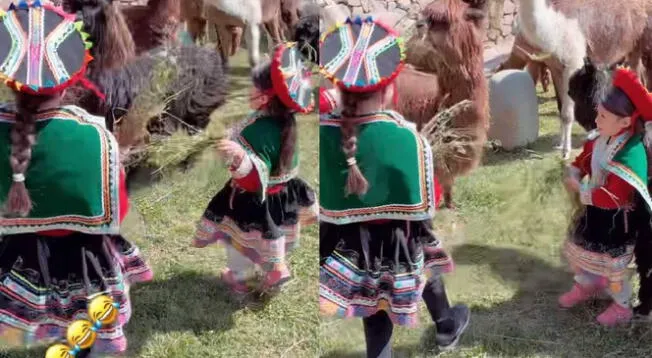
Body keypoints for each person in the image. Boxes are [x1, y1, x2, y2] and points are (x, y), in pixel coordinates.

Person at [0, 1, 152, 355]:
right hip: (87, 257)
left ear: (10, 78)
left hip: (19, 254)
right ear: (71, 80)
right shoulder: (95, 136)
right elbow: (117, 208)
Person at [319, 16, 469, 357]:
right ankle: (446, 327)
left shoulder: (327, 132)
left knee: (375, 311)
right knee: (423, 264)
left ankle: (445, 324)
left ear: (339, 89)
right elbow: (429, 201)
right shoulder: (406, 138)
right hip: (402, 236)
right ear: (389, 91)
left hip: (349, 241)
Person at [192, 42, 318, 294]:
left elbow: (253, 177)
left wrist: (238, 157)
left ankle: (241, 277)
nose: (248, 90)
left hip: (256, 198)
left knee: (241, 241)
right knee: (271, 236)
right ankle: (277, 268)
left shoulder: (260, 132)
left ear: (263, 98)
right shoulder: (283, 122)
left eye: (252, 86)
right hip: (283, 194)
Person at [561, 66, 652, 326]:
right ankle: (587, 283)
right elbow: (584, 160)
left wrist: (581, 191)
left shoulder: (630, 152)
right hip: (594, 213)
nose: (596, 120)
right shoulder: (600, 138)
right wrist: (574, 171)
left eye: (602, 116)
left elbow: (615, 196)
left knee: (614, 267)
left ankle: (621, 304)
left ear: (624, 122)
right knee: (580, 250)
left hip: (616, 221)